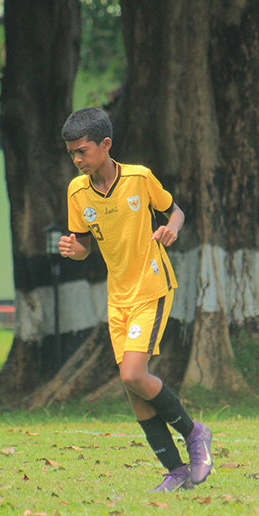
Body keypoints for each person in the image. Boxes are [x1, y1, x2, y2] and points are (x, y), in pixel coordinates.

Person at [58, 107, 212, 492]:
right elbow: (85, 248)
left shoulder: (139, 178)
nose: (77, 159)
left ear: (105, 145)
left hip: (152, 287)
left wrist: (171, 230)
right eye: (72, 153)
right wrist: (72, 249)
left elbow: (174, 211)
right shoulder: (77, 191)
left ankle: (195, 434)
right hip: (118, 298)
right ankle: (176, 471)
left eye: (83, 151)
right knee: (132, 387)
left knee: (132, 374)